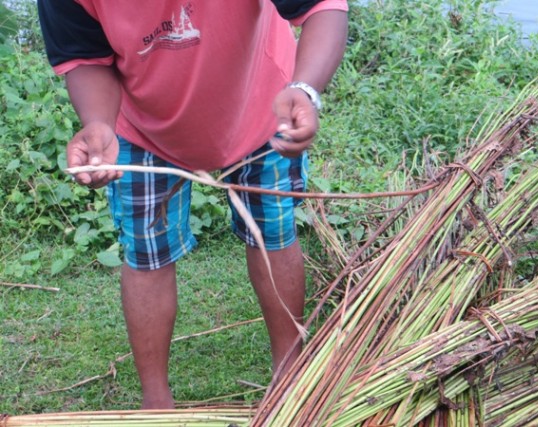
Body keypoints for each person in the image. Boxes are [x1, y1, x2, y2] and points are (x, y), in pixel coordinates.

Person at [38, 0, 348, 409]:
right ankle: (156, 403)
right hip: (143, 126)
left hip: (263, 105)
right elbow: (86, 56)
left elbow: (322, 8)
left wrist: (305, 89)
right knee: (148, 255)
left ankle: (289, 372)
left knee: (273, 233)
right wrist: (98, 121)